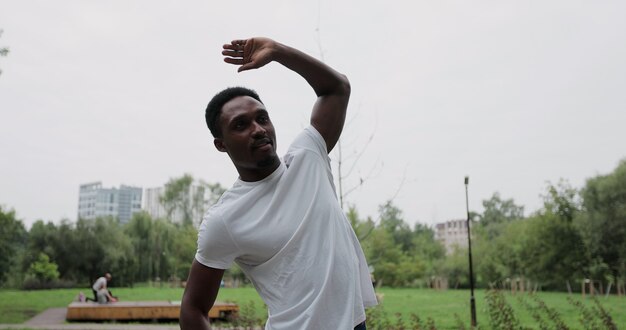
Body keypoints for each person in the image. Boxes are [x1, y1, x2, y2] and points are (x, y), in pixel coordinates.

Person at [180, 37, 377, 330]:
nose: (258, 129)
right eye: (241, 124)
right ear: (221, 145)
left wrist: (278, 52)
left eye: (262, 118)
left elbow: (338, 88)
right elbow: (193, 309)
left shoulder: (308, 156)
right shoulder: (224, 219)